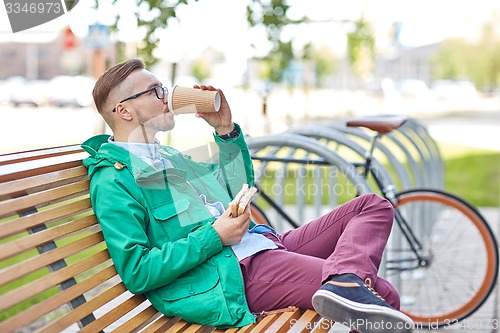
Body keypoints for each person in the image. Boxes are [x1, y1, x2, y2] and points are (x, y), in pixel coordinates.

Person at [82, 58, 414, 333]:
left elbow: (233, 188)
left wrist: (224, 129)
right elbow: (139, 271)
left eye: (164, 89)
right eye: (155, 91)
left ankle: (343, 281)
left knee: (371, 206)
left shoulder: (165, 155)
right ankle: (346, 284)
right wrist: (215, 236)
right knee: (381, 294)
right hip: (230, 272)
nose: (167, 97)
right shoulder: (114, 180)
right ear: (124, 111)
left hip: (260, 246)